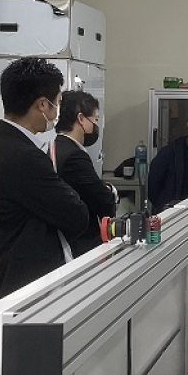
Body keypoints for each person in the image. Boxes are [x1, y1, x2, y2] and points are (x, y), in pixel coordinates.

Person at [0, 57, 89, 308]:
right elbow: (75, 214)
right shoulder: (21, 155)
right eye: (56, 103)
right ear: (42, 105)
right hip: (20, 291)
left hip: (9, 285)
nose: (56, 112)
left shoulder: (1, 142)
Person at [54, 90, 117, 257]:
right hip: (81, 242)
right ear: (81, 119)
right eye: (95, 119)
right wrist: (111, 192)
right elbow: (101, 198)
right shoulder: (74, 156)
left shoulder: (54, 146)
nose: (95, 126)